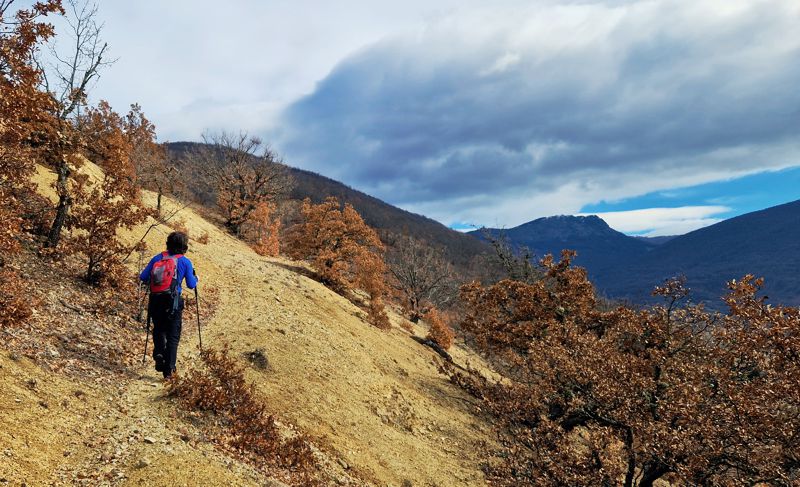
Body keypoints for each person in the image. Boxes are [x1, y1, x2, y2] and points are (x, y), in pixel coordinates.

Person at [139, 231, 198, 379]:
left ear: (168, 243)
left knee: (159, 328)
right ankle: (169, 371)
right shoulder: (185, 262)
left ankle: (159, 352)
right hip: (173, 302)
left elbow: (143, 277)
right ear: (184, 246)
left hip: (156, 300)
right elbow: (191, 284)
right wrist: (196, 278)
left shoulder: (158, 258)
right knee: (173, 335)